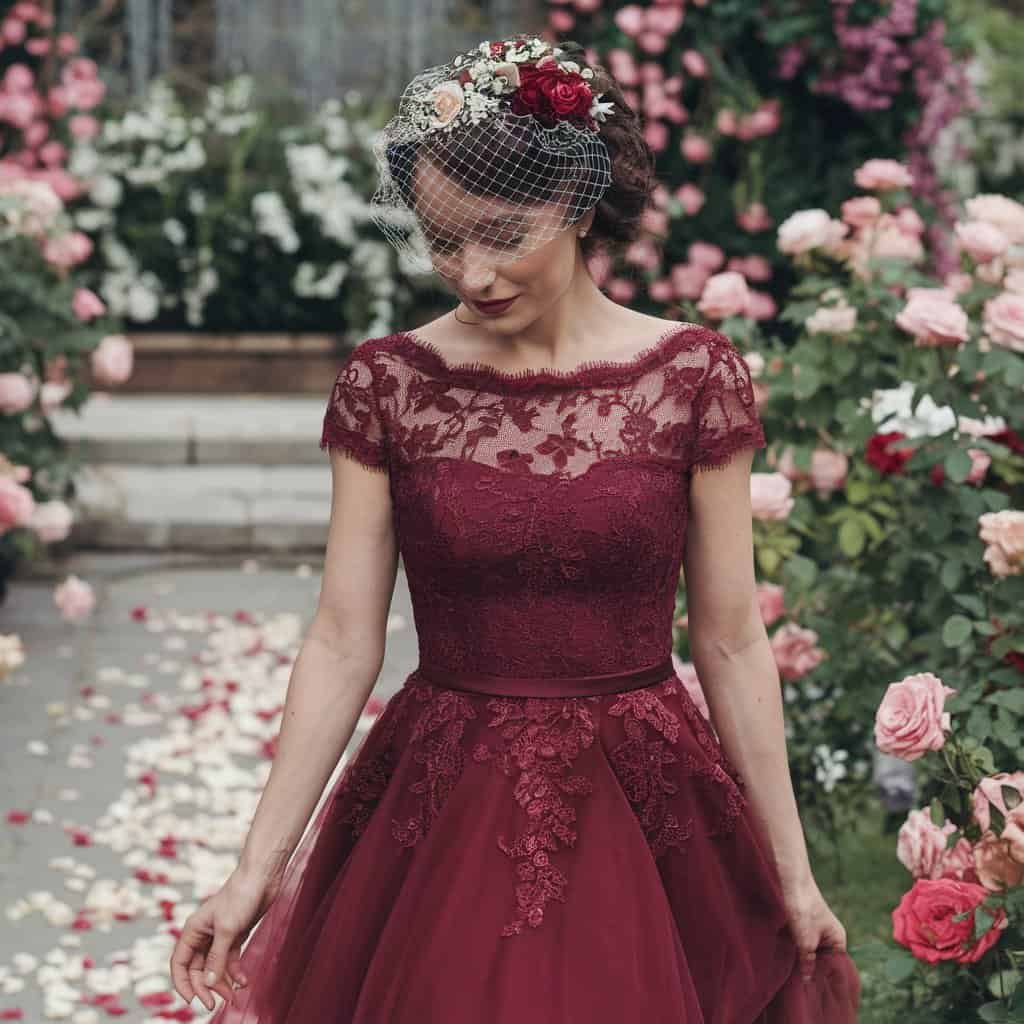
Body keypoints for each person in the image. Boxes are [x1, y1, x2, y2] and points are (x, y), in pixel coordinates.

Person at [170, 33, 861, 1022]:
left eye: (501, 234)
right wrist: (254, 869)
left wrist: (791, 874)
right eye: (441, 240)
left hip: (646, 801)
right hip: (445, 804)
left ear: (579, 204)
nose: (470, 271)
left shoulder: (693, 377)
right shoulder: (389, 385)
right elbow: (340, 637)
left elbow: (728, 636)